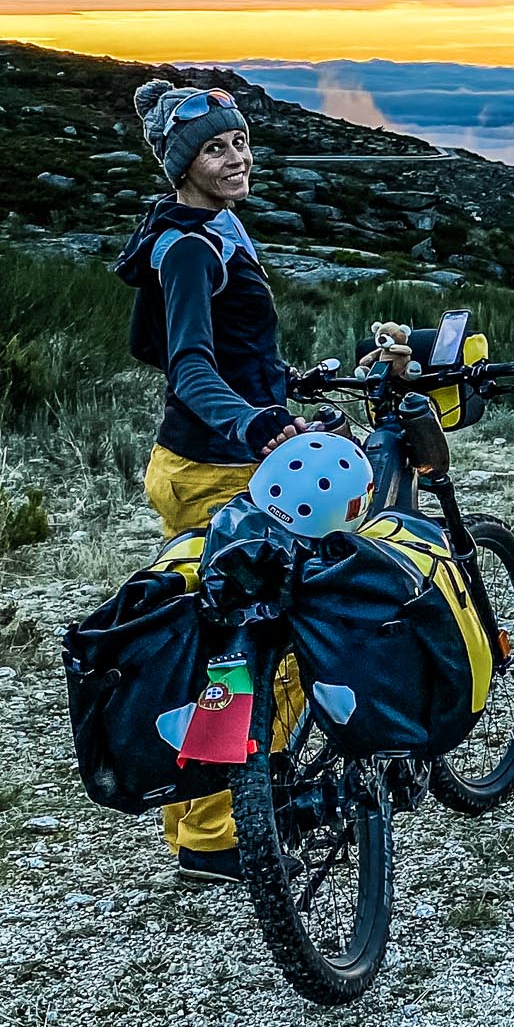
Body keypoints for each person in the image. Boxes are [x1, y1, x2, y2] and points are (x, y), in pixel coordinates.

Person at [111, 79, 309, 884]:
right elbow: (188, 364)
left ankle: (197, 812)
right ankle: (216, 831)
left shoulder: (207, 227)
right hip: (216, 468)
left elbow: (157, 346)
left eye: (240, 142)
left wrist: (274, 381)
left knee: (218, 637)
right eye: (216, 148)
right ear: (180, 166)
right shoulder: (190, 245)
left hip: (196, 461)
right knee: (278, 639)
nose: (237, 157)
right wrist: (254, 420)